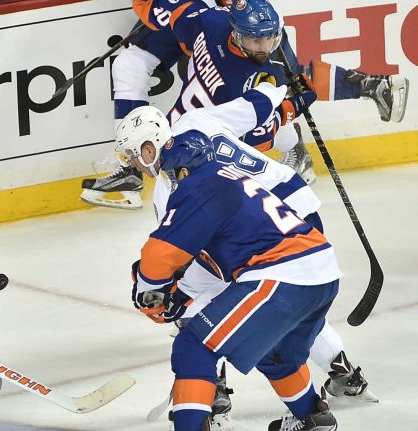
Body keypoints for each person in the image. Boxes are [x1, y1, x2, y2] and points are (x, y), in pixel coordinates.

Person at [118, 81, 342, 431]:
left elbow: (160, 256)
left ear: (153, 147)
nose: (136, 163)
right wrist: (179, 293)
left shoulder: (193, 187)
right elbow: (210, 257)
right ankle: (315, 418)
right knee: (275, 352)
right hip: (319, 268)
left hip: (282, 273)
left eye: (137, 154)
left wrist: (150, 290)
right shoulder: (215, 171)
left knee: (193, 346)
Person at [81, 0, 409, 207]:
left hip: (203, 126)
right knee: (277, 98)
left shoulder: (233, 44)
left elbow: (267, 122)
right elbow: (156, 7)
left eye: (270, 38)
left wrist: (295, 100)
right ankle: (132, 167)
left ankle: (300, 144)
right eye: (257, 40)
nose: (265, 46)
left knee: (277, 96)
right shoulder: (209, 22)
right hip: (207, 83)